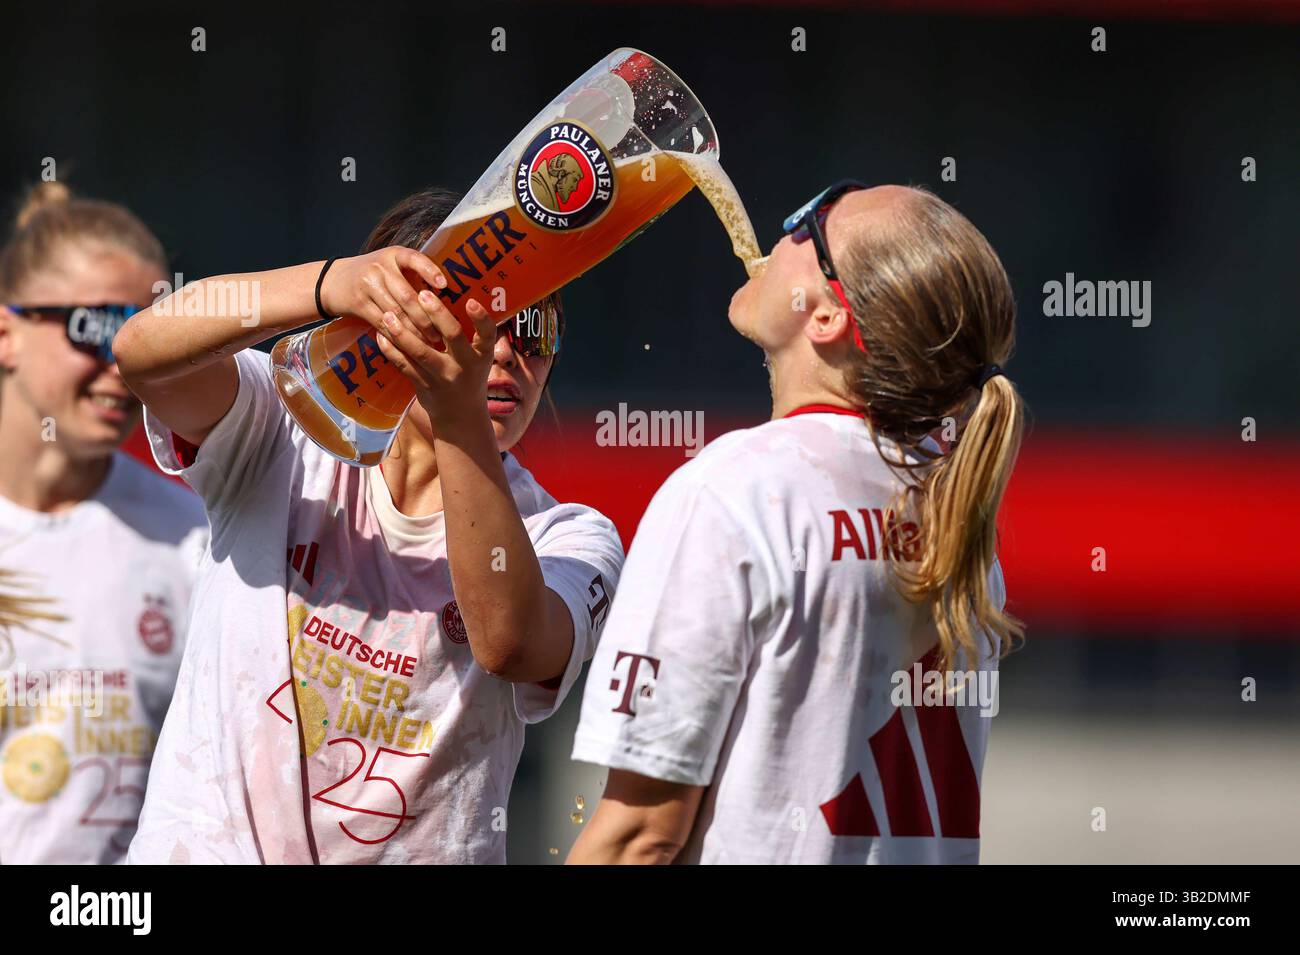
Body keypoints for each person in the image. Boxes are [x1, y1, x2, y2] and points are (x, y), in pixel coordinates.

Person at [114, 187, 623, 864]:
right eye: (472, 316)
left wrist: (456, 412)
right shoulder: (281, 424)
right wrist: (335, 284)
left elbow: (510, 644)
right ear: (379, 322)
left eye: (535, 329)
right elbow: (142, 350)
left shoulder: (571, 535)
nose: (504, 354)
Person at [569, 182, 1024, 864]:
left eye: (807, 223)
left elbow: (639, 837)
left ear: (827, 317)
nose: (780, 232)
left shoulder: (733, 491)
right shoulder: (955, 513)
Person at [0, 182, 207, 863]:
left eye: (146, 335)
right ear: (6, 332)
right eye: (96, 327)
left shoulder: (196, 536)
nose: (124, 366)